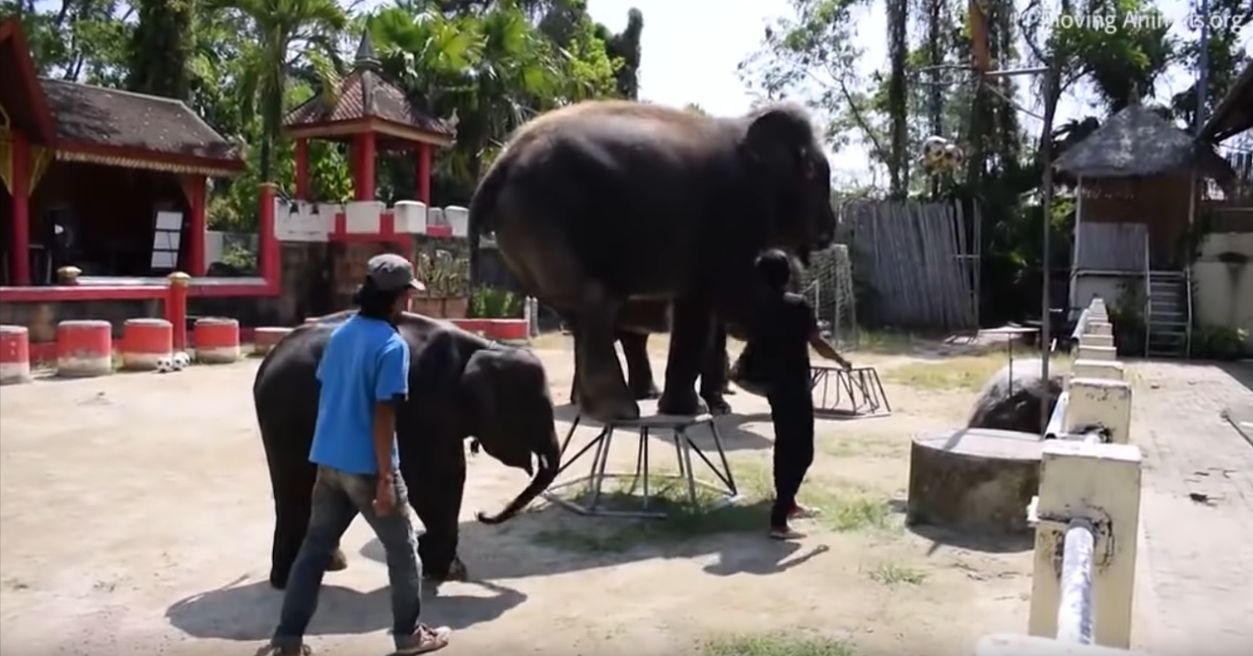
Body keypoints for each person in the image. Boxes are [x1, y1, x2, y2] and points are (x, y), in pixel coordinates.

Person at [258, 254, 452, 656]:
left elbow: (328, 389)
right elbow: (384, 414)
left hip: (328, 462)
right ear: (398, 299)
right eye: (408, 295)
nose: (410, 303)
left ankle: (287, 641)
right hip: (369, 468)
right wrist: (385, 478)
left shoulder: (341, 335)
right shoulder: (391, 346)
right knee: (403, 552)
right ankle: (409, 635)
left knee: (312, 552)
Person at [735, 249, 852, 541]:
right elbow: (816, 341)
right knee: (802, 451)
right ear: (786, 275)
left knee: (784, 444)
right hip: (794, 384)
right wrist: (840, 360)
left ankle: (788, 504)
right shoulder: (797, 305)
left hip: (772, 385)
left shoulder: (754, 308)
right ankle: (779, 519)